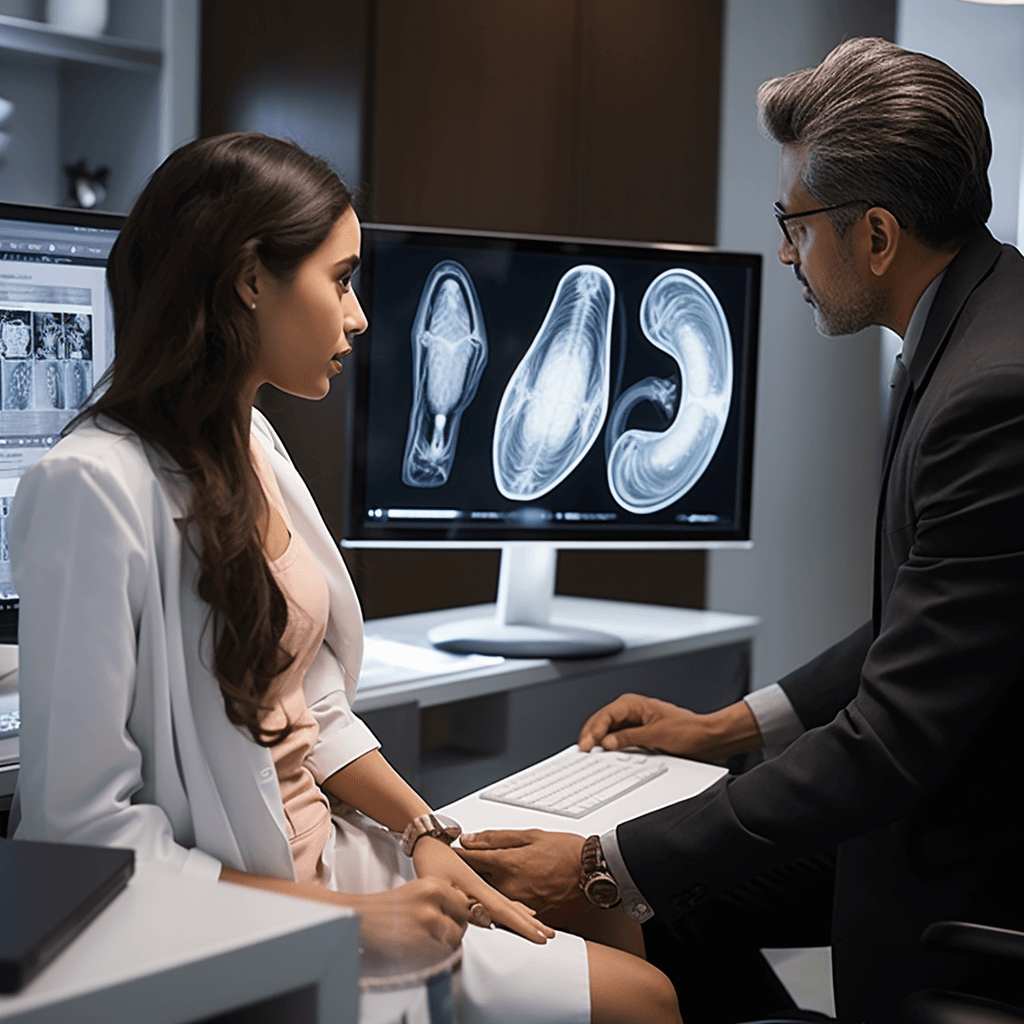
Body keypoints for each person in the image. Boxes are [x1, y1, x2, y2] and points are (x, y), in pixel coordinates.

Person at [9, 132, 681, 1024]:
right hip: (246, 906)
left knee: (605, 900)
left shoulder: (250, 442)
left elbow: (311, 703)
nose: (360, 316)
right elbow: (85, 835)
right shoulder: (93, 483)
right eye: (342, 278)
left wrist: (423, 833)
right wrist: (358, 924)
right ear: (252, 279)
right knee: (647, 998)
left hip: (334, 862)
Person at [458, 37, 1024, 1024]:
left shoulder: (992, 393)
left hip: (967, 863)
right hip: (940, 803)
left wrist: (600, 862)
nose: (784, 253)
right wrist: (727, 727)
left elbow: (886, 742)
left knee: (632, 895)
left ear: (877, 236)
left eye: (793, 223)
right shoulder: (978, 319)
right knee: (673, 899)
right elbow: (920, 619)